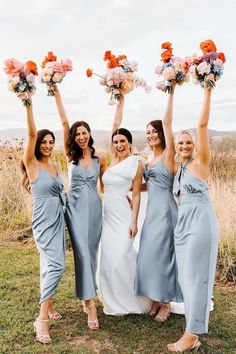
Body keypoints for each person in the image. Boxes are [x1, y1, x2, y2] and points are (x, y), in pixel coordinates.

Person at [167, 88, 219, 352]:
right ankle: (193, 330)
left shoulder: (200, 163)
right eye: (180, 143)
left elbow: (202, 124)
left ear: (195, 145)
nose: (185, 145)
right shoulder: (180, 168)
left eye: (189, 142)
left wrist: (207, 88)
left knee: (198, 278)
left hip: (201, 224)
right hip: (183, 225)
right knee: (187, 278)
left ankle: (191, 334)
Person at [52, 86, 106, 330]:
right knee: (82, 253)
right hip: (73, 209)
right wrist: (56, 91)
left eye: (84, 133)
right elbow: (64, 120)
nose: (81, 137)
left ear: (90, 134)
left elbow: (105, 186)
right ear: (73, 137)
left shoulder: (99, 159)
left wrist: (123, 197)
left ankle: (87, 296)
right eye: (77, 134)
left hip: (95, 208)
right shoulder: (69, 154)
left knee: (92, 254)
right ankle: (90, 304)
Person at [99, 94, 151, 315]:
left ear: (130, 143)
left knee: (123, 255)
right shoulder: (111, 161)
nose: (119, 145)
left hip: (122, 214)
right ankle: (113, 300)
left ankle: (139, 299)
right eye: (116, 142)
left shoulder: (136, 163)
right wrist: (119, 100)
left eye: (123, 141)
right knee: (108, 257)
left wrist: (134, 221)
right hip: (105, 215)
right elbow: (115, 125)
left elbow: (137, 194)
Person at [135, 91, 183, 321]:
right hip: (152, 212)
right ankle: (155, 297)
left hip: (165, 211)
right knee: (150, 254)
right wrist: (130, 190)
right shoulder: (149, 158)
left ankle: (166, 304)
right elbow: (149, 185)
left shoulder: (168, 155)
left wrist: (170, 90)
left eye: (155, 131)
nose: (152, 135)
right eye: (148, 132)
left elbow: (168, 121)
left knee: (164, 254)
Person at [21, 98, 66, 344]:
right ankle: (41, 319)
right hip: (43, 220)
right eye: (44, 141)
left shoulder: (52, 164)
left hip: (58, 218)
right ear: (37, 143)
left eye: (51, 142)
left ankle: (48, 307)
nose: (48, 145)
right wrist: (28, 104)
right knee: (57, 266)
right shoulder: (33, 164)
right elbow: (30, 133)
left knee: (47, 265)